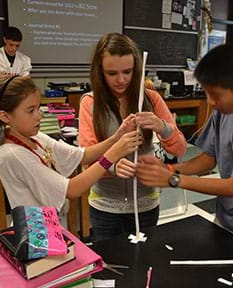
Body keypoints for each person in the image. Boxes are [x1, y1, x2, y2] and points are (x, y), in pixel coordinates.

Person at [136, 44, 233, 245]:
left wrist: (173, 179)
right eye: (207, 93)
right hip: (224, 221)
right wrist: (169, 168)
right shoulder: (225, 110)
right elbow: (209, 159)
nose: (210, 102)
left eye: (215, 95)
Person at [0, 75, 142, 218]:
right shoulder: (13, 154)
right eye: (30, 111)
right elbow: (72, 189)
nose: (39, 116)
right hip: (37, 237)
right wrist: (112, 155)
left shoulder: (35, 137)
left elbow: (81, 155)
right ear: (5, 116)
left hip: (49, 229)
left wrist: (115, 138)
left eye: (38, 108)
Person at [78, 33, 187, 241]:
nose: (121, 80)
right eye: (112, 73)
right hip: (106, 207)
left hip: (146, 204)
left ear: (136, 69)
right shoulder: (90, 103)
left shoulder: (151, 99)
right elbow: (87, 161)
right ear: (100, 72)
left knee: (144, 263)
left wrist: (163, 127)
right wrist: (112, 166)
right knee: (109, 266)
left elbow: (180, 149)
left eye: (127, 72)